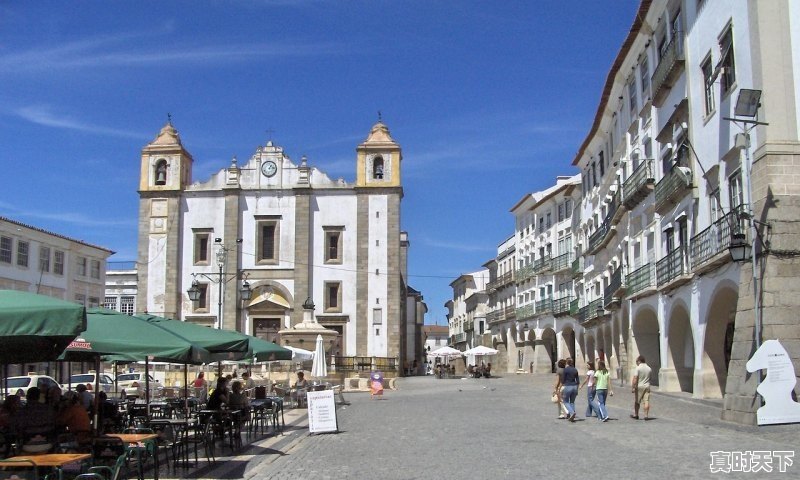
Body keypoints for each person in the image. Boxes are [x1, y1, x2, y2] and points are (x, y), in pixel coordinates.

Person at [12, 387, 56, 453]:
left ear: (27, 397)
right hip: (47, 443)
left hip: (27, 444)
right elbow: (54, 424)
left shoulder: (21, 412)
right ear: (38, 397)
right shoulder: (48, 409)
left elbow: (15, 428)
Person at [631, 355, 652, 420]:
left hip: (639, 386)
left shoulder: (638, 368)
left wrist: (633, 387)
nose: (636, 363)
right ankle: (646, 415)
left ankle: (636, 414)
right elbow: (650, 378)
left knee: (637, 401)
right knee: (646, 401)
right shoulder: (649, 368)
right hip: (647, 386)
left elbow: (635, 378)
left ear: (639, 361)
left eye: (636, 361)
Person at [560, 358, 580, 422]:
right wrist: (577, 388)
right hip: (574, 386)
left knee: (565, 401)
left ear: (567, 363)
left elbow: (563, 380)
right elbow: (578, 381)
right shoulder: (575, 369)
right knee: (572, 402)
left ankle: (572, 412)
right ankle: (572, 415)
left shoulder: (566, 370)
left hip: (568, 386)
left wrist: (560, 387)